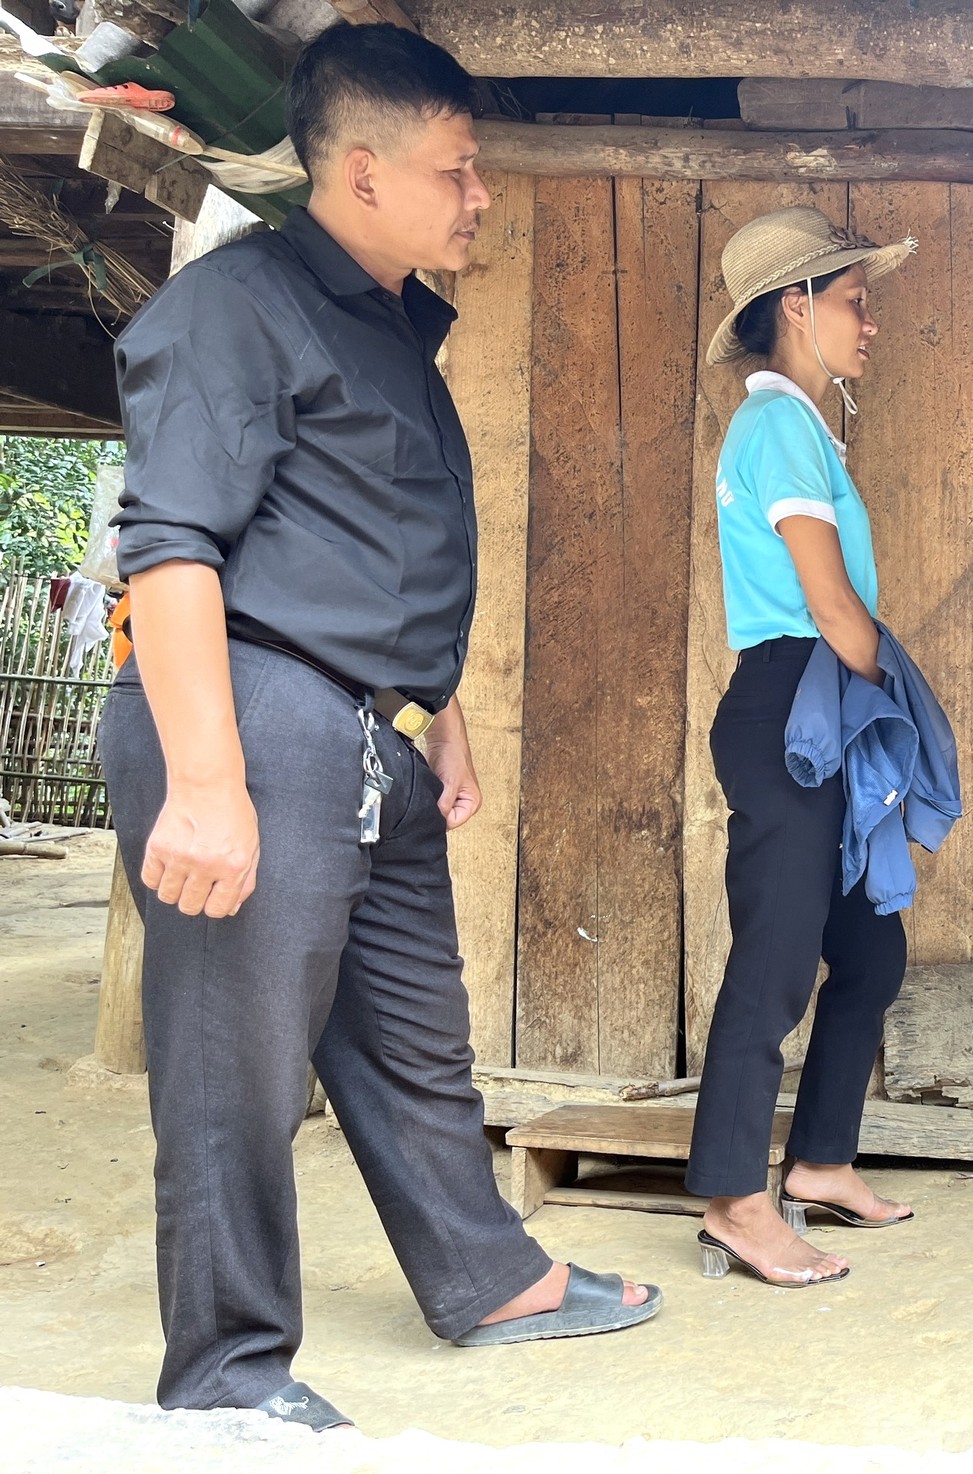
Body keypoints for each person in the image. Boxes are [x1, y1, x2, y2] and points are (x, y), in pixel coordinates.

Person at [100, 24, 660, 1431]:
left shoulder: (390, 321)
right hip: (254, 720)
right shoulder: (239, 307)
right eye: (455, 169)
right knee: (232, 1065)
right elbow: (171, 547)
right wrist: (209, 784)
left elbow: (373, 544)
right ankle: (226, 1375)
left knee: (417, 1039)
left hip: (365, 728)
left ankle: (488, 1274)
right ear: (359, 172)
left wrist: (440, 714)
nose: (479, 195)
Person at [687, 204, 921, 1288]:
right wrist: (892, 699)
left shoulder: (809, 429)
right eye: (857, 302)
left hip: (821, 696)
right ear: (797, 305)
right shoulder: (775, 423)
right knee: (780, 952)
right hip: (797, 699)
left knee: (868, 946)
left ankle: (822, 1158)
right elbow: (829, 603)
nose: (871, 324)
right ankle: (737, 1197)